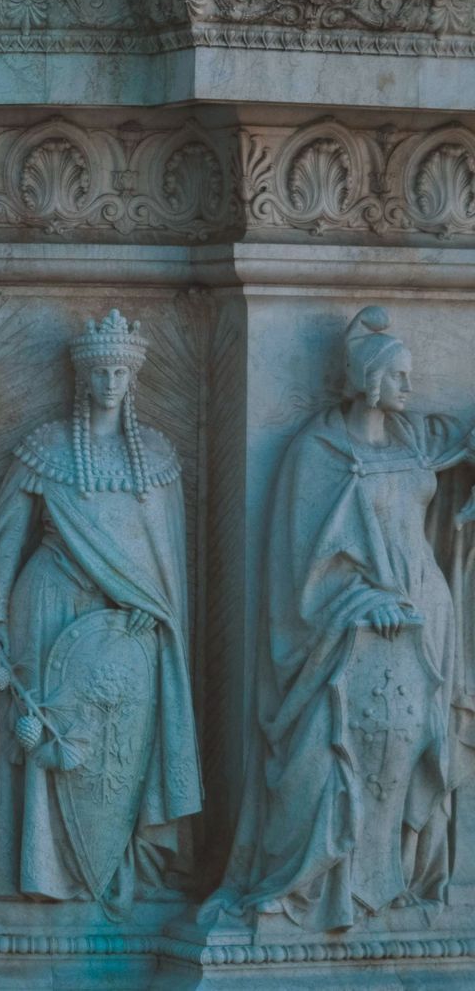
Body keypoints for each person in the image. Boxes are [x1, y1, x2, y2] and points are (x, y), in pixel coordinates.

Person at [210, 306, 474, 930]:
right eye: (398, 377)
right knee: (331, 759)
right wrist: (360, 599)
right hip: (343, 636)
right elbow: (300, 564)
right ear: (365, 380)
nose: (410, 389)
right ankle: (317, 885)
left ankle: (401, 878)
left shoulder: (413, 439)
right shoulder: (319, 451)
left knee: (408, 750)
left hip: (424, 618)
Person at [0, 309, 201, 910]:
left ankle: (116, 867)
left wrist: (156, 609)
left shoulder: (156, 457)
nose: (111, 380)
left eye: (121, 369)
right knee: (45, 735)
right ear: (83, 377)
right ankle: (42, 871)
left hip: (128, 632)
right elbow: (5, 539)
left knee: (118, 750)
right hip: (46, 606)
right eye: (101, 370)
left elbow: (164, 560)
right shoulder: (47, 449)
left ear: (133, 377)